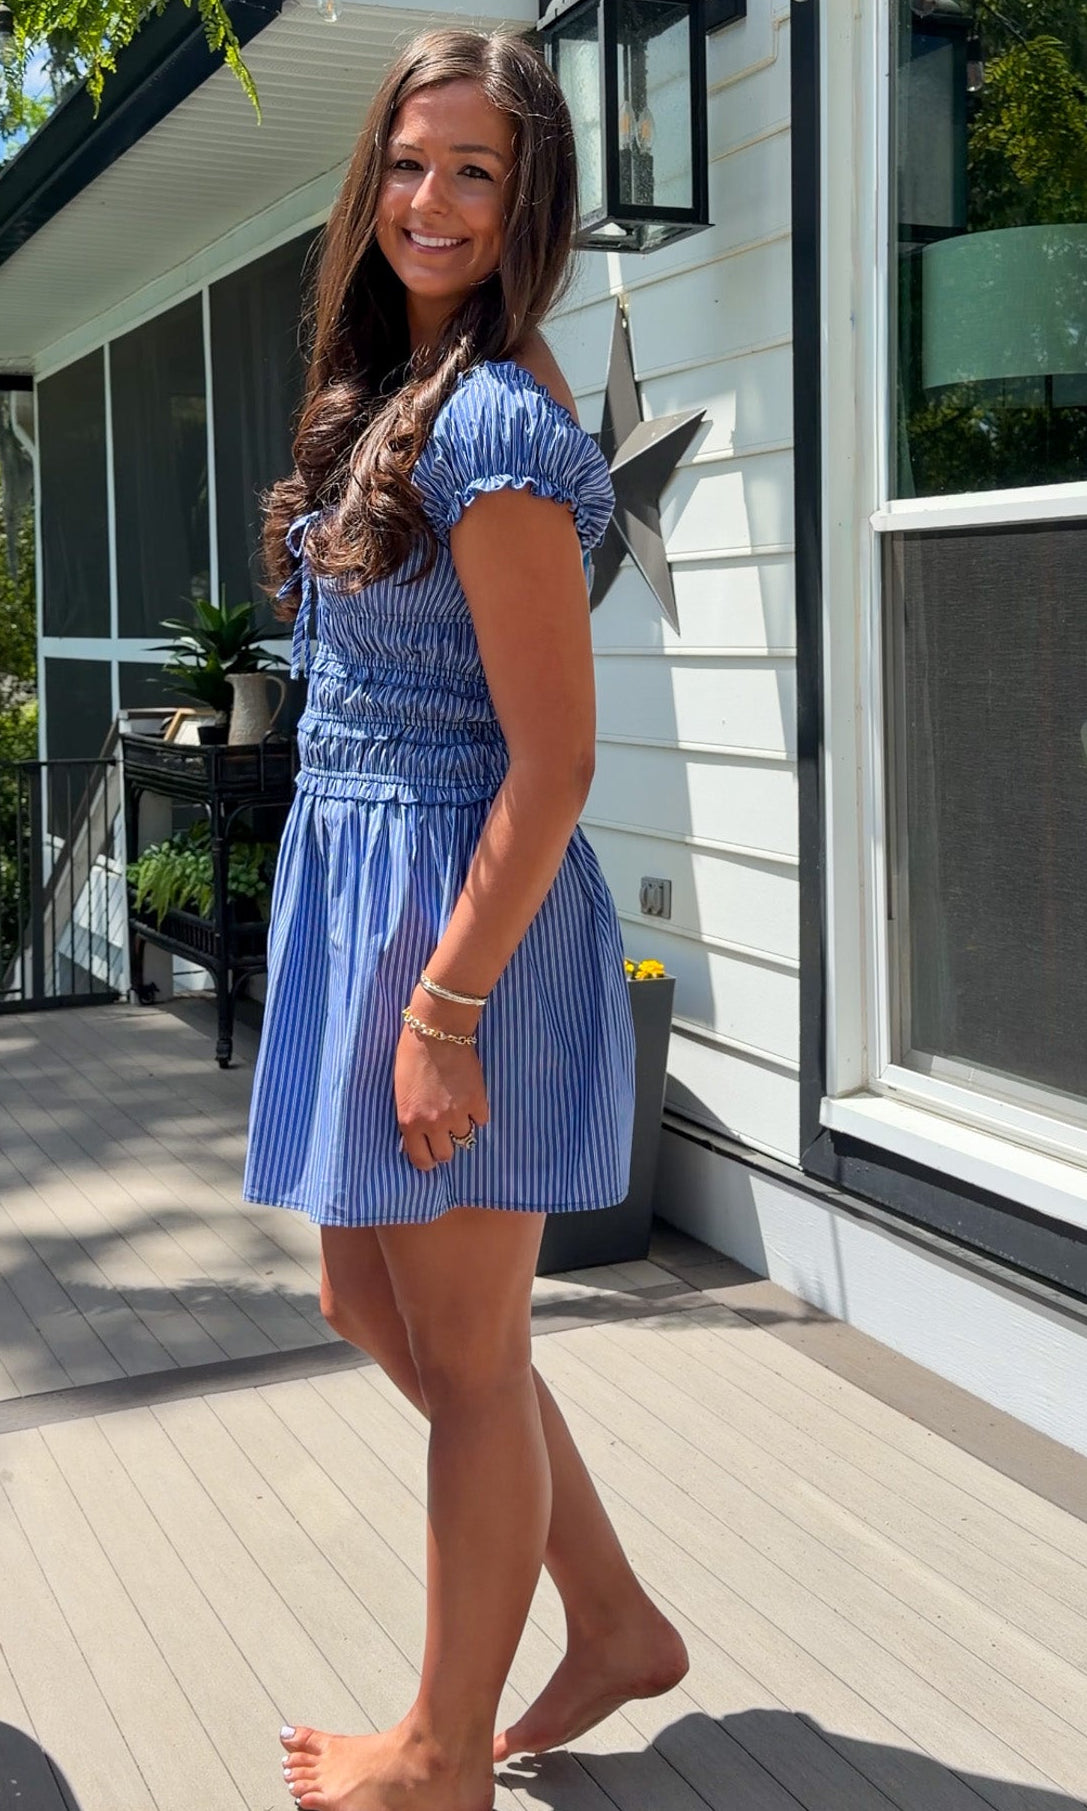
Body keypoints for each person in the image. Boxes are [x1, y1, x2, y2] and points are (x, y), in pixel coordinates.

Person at [241, 27, 688, 1811]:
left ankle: (440, 1749)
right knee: (375, 1298)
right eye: (410, 163)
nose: (432, 200)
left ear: (527, 211)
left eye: (476, 173)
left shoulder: (493, 423)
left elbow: (557, 762)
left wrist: (442, 1009)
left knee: (473, 1353)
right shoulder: (394, 392)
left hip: (457, 918)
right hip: (372, 893)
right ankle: (612, 1613)